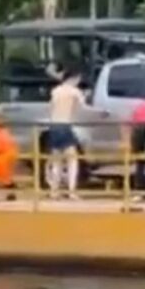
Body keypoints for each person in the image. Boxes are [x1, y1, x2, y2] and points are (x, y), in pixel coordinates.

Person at [47, 68, 85, 199]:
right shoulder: (75, 92)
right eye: (78, 79)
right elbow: (83, 108)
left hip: (53, 126)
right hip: (65, 125)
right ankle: (72, 191)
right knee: (72, 160)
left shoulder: (55, 91)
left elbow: (50, 108)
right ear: (74, 78)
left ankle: (54, 191)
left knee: (56, 161)